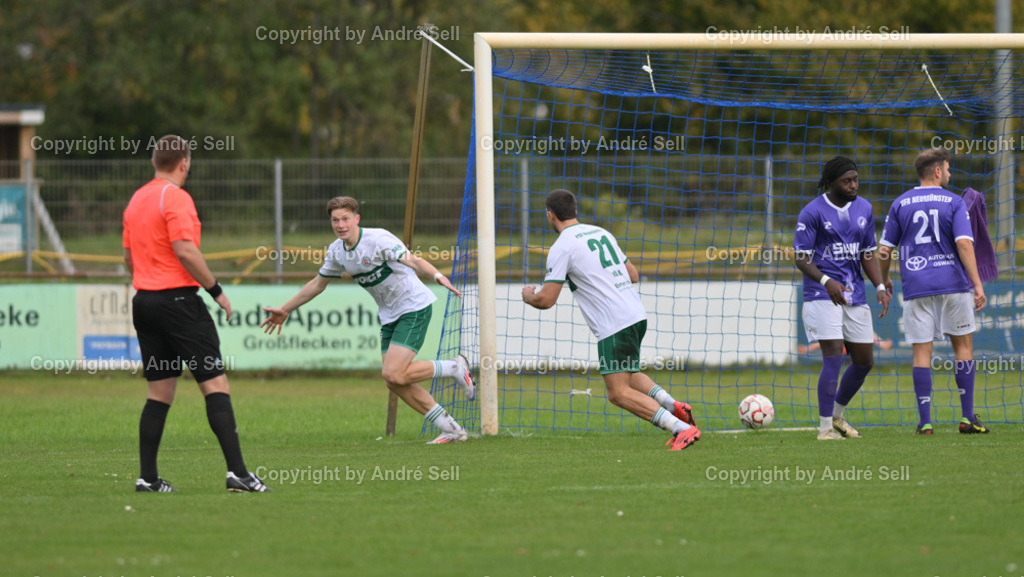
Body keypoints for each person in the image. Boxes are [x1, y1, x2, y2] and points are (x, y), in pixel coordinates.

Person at [260, 196, 475, 444]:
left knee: (394, 373)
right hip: (389, 314)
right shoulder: (336, 251)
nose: (340, 225)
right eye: (335, 220)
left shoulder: (378, 239)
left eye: (345, 219)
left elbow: (413, 260)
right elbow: (318, 284)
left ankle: (455, 368)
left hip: (413, 306)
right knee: (394, 380)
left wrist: (437, 275)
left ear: (356, 219)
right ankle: (452, 429)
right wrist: (286, 309)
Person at [123, 134, 270, 492]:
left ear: (154, 162)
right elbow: (185, 250)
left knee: (159, 393)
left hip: (144, 302)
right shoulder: (175, 197)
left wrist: (149, 280)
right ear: (184, 162)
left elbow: (128, 257)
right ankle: (237, 473)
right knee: (215, 383)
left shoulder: (137, 199)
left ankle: (148, 478)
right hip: (178, 304)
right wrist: (216, 290)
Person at [521, 189, 699, 451]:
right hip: (636, 315)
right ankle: (674, 406)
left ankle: (680, 428)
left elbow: (547, 300)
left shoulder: (562, 247)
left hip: (614, 323)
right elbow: (633, 274)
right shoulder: (601, 233)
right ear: (575, 210)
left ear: (550, 215)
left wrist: (529, 296)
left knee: (617, 392)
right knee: (629, 373)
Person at [878, 148, 988, 435]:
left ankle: (925, 421)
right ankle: (967, 418)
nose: (950, 174)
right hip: (953, 284)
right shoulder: (953, 202)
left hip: (917, 286)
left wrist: (885, 279)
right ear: (937, 171)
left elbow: (884, 250)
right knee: (963, 348)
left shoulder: (900, 203)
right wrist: (976, 283)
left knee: (922, 353)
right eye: (948, 169)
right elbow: (964, 244)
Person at [794, 156, 891, 441]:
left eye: (855, 180)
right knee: (834, 356)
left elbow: (867, 253)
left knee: (864, 361)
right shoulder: (812, 212)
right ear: (832, 183)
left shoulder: (864, 208)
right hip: (822, 294)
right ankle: (825, 429)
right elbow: (801, 257)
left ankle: (836, 414)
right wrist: (826, 281)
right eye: (846, 181)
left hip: (855, 294)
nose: (853, 185)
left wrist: (880, 287)